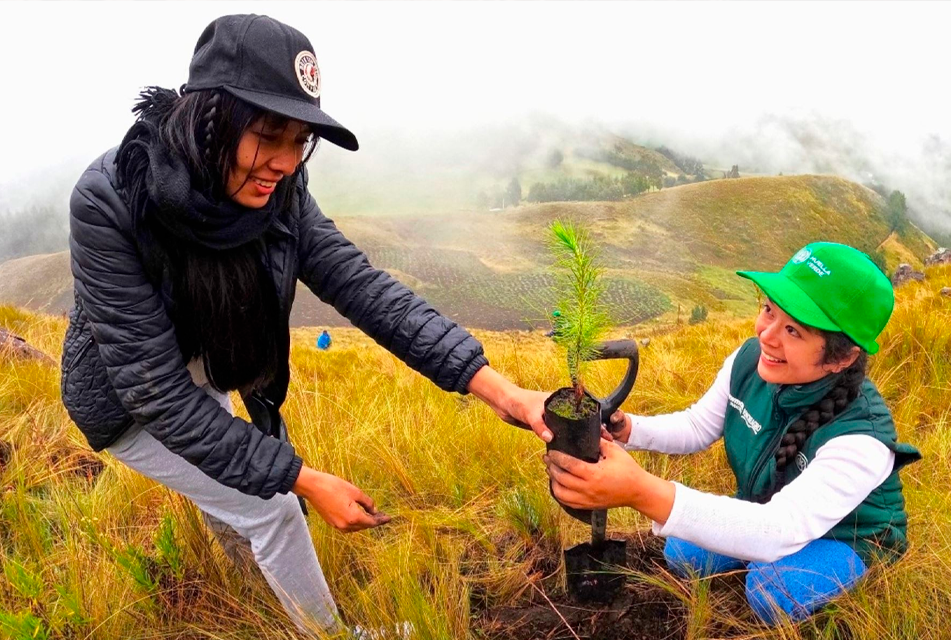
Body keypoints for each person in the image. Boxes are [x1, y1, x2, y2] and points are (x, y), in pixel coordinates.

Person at [60, 14, 551, 635]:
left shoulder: (281, 192)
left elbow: (366, 290)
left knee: (239, 489)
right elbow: (154, 391)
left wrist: (500, 391)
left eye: (300, 142)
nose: (286, 163)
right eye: (270, 136)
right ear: (213, 118)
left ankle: (251, 587)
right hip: (127, 398)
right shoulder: (110, 198)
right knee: (274, 506)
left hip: (200, 364)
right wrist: (302, 479)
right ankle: (329, 633)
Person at [544, 242, 921, 625]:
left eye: (793, 330)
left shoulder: (861, 438)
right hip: (770, 510)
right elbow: (696, 426)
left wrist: (641, 491)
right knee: (682, 553)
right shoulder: (750, 361)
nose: (767, 335)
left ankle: (849, 570)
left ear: (842, 357)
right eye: (769, 310)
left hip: (849, 537)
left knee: (771, 590)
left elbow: (780, 527)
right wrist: (629, 429)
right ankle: (749, 540)